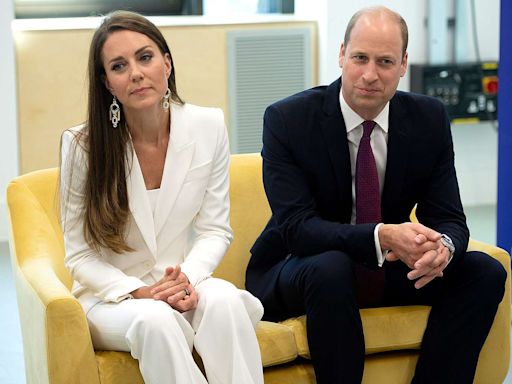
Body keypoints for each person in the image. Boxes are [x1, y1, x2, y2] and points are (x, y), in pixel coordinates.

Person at [246, 6, 505, 384]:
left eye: (384, 62)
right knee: (330, 266)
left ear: (403, 64)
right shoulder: (288, 120)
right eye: (359, 58)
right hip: (299, 266)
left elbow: (449, 217)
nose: (369, 75)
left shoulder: (428, 118)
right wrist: (381, 236)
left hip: (384, 268)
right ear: (341, 55)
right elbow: (297, 229)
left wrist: (443, 248)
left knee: (485, 271)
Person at [60, 10, 264, 384]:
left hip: (180, 281)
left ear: (166, 64)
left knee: (226, 303)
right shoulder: (82, 147)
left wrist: (186, 280)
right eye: (119, 66)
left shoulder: (208, 125)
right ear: (107, 83)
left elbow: (215, 230)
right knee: (156, 321)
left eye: (145, 57)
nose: (136, 72)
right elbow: (79, 255)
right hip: (114, 300)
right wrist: (139, 292)